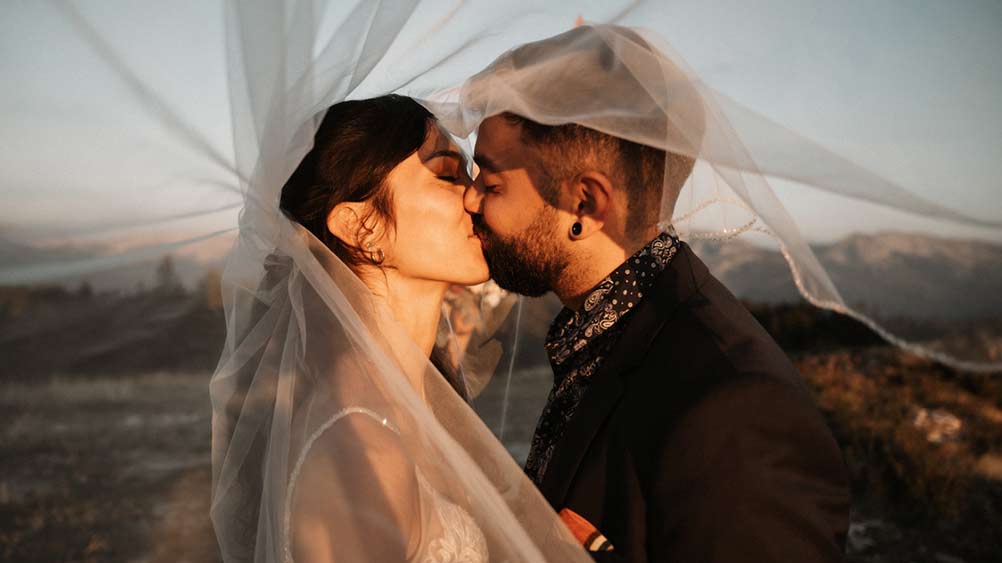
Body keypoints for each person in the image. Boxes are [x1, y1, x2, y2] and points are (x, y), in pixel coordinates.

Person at [458, 25, 851, 562]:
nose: (470, 199)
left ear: (586, 205)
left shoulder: (734, 412)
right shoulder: (610, 329)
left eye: (492, 180)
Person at [210, 95, 593, 563]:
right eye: (448, 174)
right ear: (361, 226)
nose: (475, 195)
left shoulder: (412, 401)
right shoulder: (360, 451)